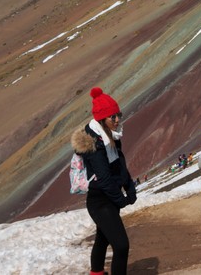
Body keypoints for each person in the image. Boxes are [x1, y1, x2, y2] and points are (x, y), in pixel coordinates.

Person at [72, 87, 136, 275]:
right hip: (100, 201)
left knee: (102, 238)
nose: (117, 120)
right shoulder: (95, 144)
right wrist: (121, 199)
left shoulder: (111, 137)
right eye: (112, 117)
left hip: (109, 198)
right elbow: (105, 178)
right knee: (122, 246)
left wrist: (130, 188)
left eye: (119, 115)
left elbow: (119, 165)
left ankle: (96, 273)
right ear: (102, 119)